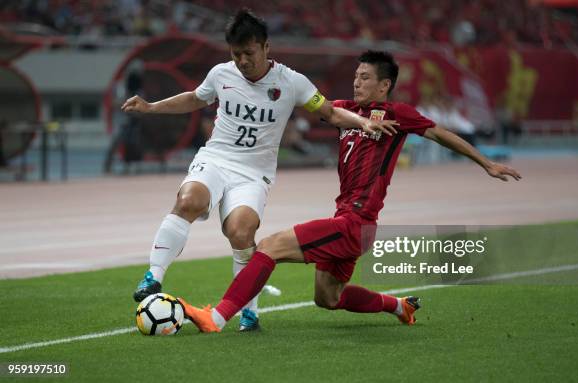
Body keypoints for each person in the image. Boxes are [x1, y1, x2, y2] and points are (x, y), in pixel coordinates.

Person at [178, 50, 522, 333]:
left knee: (268, 246)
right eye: (356, 76)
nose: (357, 81)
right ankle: (398, 305)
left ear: (385, 85)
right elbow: (307, 104)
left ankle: (217, 318)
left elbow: (440, 134)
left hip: (356, 222)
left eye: (366, 77)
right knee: (327, 298)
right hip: (350, 222)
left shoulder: (397, 114)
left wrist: (485, 162)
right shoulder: (344, 111)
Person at [121, 10, 397, 331]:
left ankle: (249, 310)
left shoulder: (291, 82)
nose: (242, 61)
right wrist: (152, 107)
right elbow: (196, 98)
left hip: (254, 173)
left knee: (241, 232)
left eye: (248, 53)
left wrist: (362, 121)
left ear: (266, 48)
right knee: (189, 201)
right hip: (217, 159)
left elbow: (330, 113)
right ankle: (153, 276)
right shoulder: (221, 74)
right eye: (236, 54)